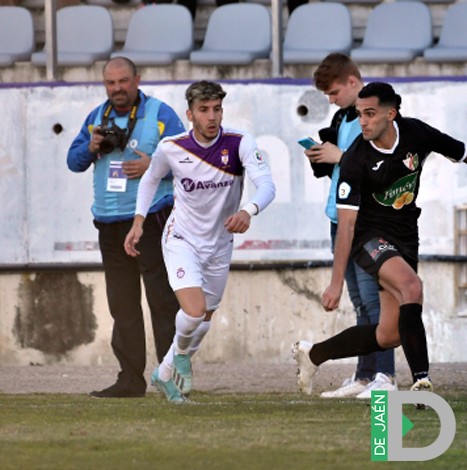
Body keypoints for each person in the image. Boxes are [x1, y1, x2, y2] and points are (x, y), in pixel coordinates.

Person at [292, 82, 467, 397]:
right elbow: (347, 224)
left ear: (391, 114)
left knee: (389, 334)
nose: (362, 122)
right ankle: (422, 382)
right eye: (359, 114)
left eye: (370, 114)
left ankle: (314, 355)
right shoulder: (355, 159)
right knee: (412, 287)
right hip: (368, 238)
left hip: (405, 237)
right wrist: (336, 282)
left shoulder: (415, 134)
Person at [124, 80, 276, 404]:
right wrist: (138, 221)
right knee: (193, 313)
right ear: (189, 114)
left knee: (205, 319)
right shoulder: (172, 147)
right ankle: (180, 357)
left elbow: (266, 186)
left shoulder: (239, 143)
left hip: (220, 244)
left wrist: (248, 210)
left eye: (217, 109)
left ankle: (163, 373)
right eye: (204, 110)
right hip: (181, 238)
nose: (212, 116)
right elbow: (150, 178)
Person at [67, 57, 184, 398]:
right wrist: (90, 147)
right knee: (123, 305)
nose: (117, 88)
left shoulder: (160, 113)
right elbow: (73, 162)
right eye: (110, 83)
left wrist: (155, 164)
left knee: (162, 301)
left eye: (123, 81)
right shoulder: (96, 118)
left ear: (137, 80)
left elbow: (190, 159)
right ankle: (130, 380)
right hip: (109, 223)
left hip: (151, 219)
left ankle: (170, 376)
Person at [304, 53, 397, 399]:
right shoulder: (344, 118)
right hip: (339, 216)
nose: (330, 100)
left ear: (353, 83)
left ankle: (385, 375)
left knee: (376, 301)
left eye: (333, 92)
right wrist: (323, 158)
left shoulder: (372, 117)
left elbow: (381, 163)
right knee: (360, 302)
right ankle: (365, 374)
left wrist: (339, 157)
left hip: (367, 221)